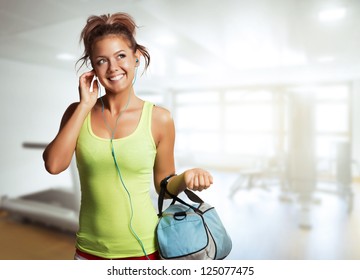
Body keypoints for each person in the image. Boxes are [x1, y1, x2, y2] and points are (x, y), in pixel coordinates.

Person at [42, 12, 213, 260]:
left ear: (136, 58)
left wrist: (186, 177)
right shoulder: (77, 112)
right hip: (88, 249)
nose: (113, 68)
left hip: (144, 250)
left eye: (121, 56)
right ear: (93, 68)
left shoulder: (159, 118)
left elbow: (163, 187)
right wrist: (84, 106)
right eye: (101, 60)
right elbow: (54, 165)